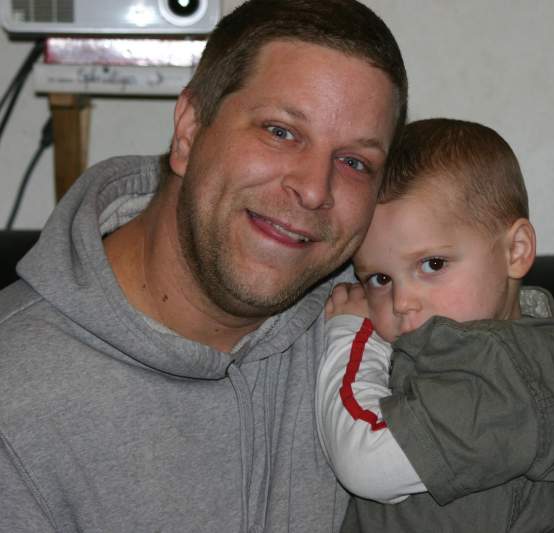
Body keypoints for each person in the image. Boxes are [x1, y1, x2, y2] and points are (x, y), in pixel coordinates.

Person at [0, 0, 407, 531]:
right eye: (280, 131)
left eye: (355, 162)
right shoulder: (16, 401)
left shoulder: (387, 321)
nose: (313, 189)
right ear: (190, 131)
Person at [316, 118, 554, 532]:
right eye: (380, 279)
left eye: (433, 264)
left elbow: (366, 461)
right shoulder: (480, 345)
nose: (402, 301)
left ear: (515, 251)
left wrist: (351, 335)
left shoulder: (506, 375)